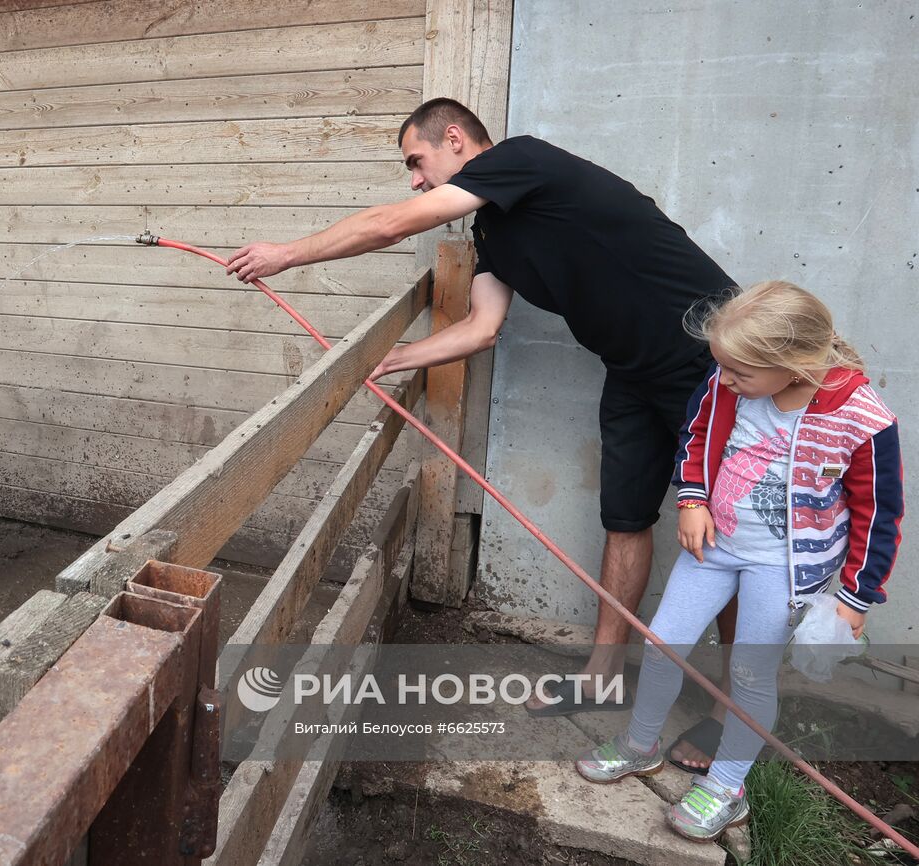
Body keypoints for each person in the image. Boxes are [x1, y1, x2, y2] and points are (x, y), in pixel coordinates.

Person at [226, 97, 739, 732]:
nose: (416, 179)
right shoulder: (491, 231)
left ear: (455, 139)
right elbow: (481, 328)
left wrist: (286, 255)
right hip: (632, 371)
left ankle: (733, 709)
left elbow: (394, 224)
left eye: (418, 161)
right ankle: (603, 680)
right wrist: (391, 358)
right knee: (625, 519)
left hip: (714, 360)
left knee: (726, 533)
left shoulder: (522, 158)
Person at [575, 280, 903, 842]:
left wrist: (856, 598)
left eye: (739, 374)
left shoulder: (864, 419)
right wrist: (693, 498)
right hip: (715, 548)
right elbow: (697, 435)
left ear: (795, 365)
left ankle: (728, 786)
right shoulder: (729, 381)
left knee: (751, 673)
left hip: (783, 569)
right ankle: (640, 744)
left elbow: (879, 514)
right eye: (722, 368)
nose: (725, 381)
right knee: (662, 643)